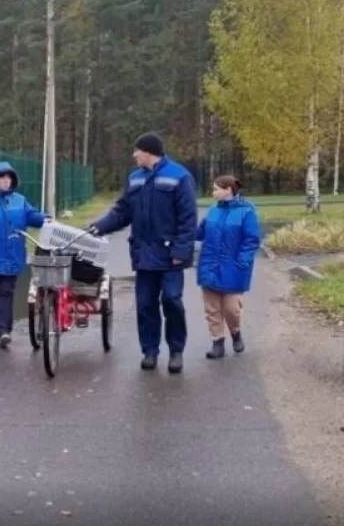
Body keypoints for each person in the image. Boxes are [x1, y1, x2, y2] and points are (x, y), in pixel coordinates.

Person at [87, 133, 197, 374]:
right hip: (144, 255)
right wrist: (100, 226)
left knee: (172, 301)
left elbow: (188, 219)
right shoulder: (135, 179)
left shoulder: (179, 176)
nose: (134, 155)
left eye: (137, 151)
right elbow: (122, 211)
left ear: (148, 152)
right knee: (145, 305)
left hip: (170, 256)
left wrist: (181, 250)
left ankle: (176, 351)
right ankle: (150, 351)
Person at [0, 161, 48, 349]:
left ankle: (5, 330)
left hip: (12, 256)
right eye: (1, 177)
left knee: (6, 292)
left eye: (8, 177)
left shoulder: (20, 201)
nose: (5, 180)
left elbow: (32, 217)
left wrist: (46, 218)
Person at [196, 175, 261, 359]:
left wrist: (243, 261)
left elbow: (252, 239)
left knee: (231, 309)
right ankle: (217, 342)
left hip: (232, 267)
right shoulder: (212, 210)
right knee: (212, 308)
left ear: (228, 190)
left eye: (216, 189)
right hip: (209, 264)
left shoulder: (246, 212)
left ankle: (236, 332)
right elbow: (199, 233)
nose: (213, 192)